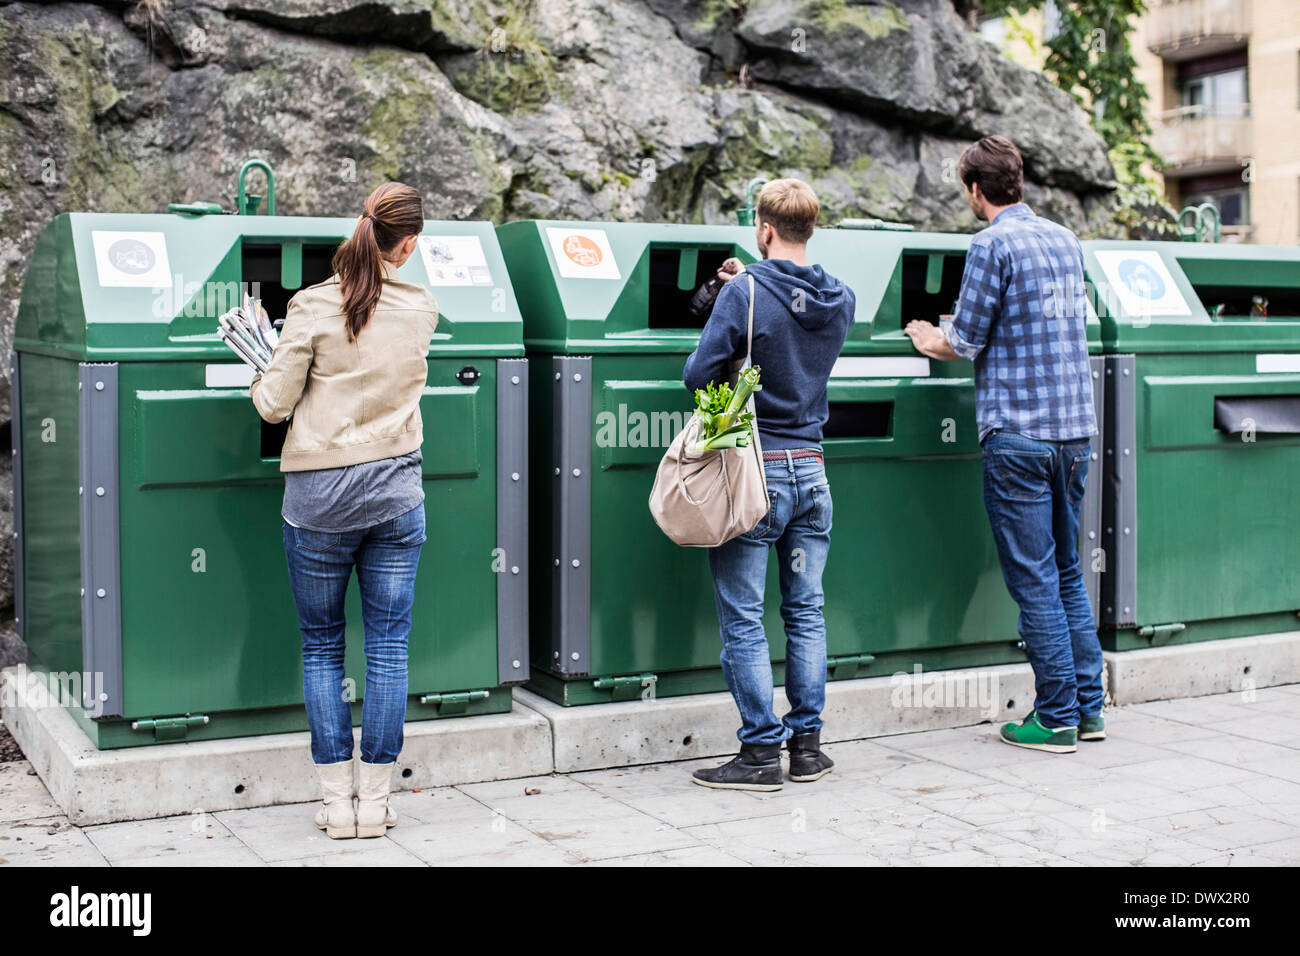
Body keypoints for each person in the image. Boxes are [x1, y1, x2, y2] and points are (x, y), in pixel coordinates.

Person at [903, 135, 1103, 754]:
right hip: (1074, 434)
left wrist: (923, 335)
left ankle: (1055, 717)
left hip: (1018, 437)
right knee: (1068, 570)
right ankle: (1089, 709)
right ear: (1017, 181)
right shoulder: (1065, 239)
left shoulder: (990, 244)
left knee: (1035, 578)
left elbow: (964, 341)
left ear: (974, 190)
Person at [250, 182, 438, 836]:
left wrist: (262, 374)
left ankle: (336, 806)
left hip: (319, 502)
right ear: (408, 244)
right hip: (395, 498)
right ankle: (378, 802)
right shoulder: (420, 308)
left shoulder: (309, 307)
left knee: (322, 647)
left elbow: (274, 404)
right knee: (387, 647)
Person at [683, 179, 855, 791]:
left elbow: (696, 373)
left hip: (755, 473)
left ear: (763, 229)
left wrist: (730, 308)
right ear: (810, 228)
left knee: (745, 617)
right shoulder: (842, 297)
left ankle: (759, 754)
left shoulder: (747, 291)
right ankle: (807, 747)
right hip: (813, 471)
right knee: (805, 610)